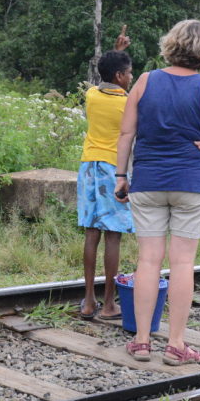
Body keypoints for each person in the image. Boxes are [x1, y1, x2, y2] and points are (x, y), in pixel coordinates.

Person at [114, 20, 200, 363]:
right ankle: (176, 345)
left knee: (147, 261)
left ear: (171, 45)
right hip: (191, 183)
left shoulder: (146, 80)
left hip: (147, 181)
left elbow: (125, 134)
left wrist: (121, 175)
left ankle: (143, 341)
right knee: (182, 263)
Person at [77, 38, 134, 320]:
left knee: (91, 232)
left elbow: (105, 78)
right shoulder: (127, 104)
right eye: (129, 73)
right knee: (113, 235)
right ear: (120, 77)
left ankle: (88, 302)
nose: (131, 77)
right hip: (114, 170)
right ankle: (109, 304)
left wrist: (117, 53)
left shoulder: (91, 96)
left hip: (89, 167)